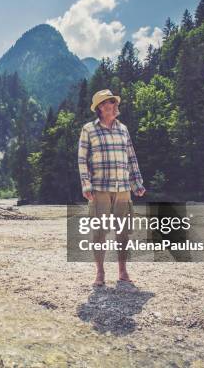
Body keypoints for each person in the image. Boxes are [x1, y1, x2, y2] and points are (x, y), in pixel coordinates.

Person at [77, 89, 146, 286]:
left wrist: (137, 182)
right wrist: (85, 183)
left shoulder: (123, 129)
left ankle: (123, 272)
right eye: (111, 103)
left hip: (123, 187)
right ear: (100, 107)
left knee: (123, 231)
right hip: (100, 188)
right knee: (99, 232)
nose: (116, 106)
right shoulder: (89, 129)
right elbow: (82, 160)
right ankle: (100, 273)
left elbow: (131, 158)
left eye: (115, 103)